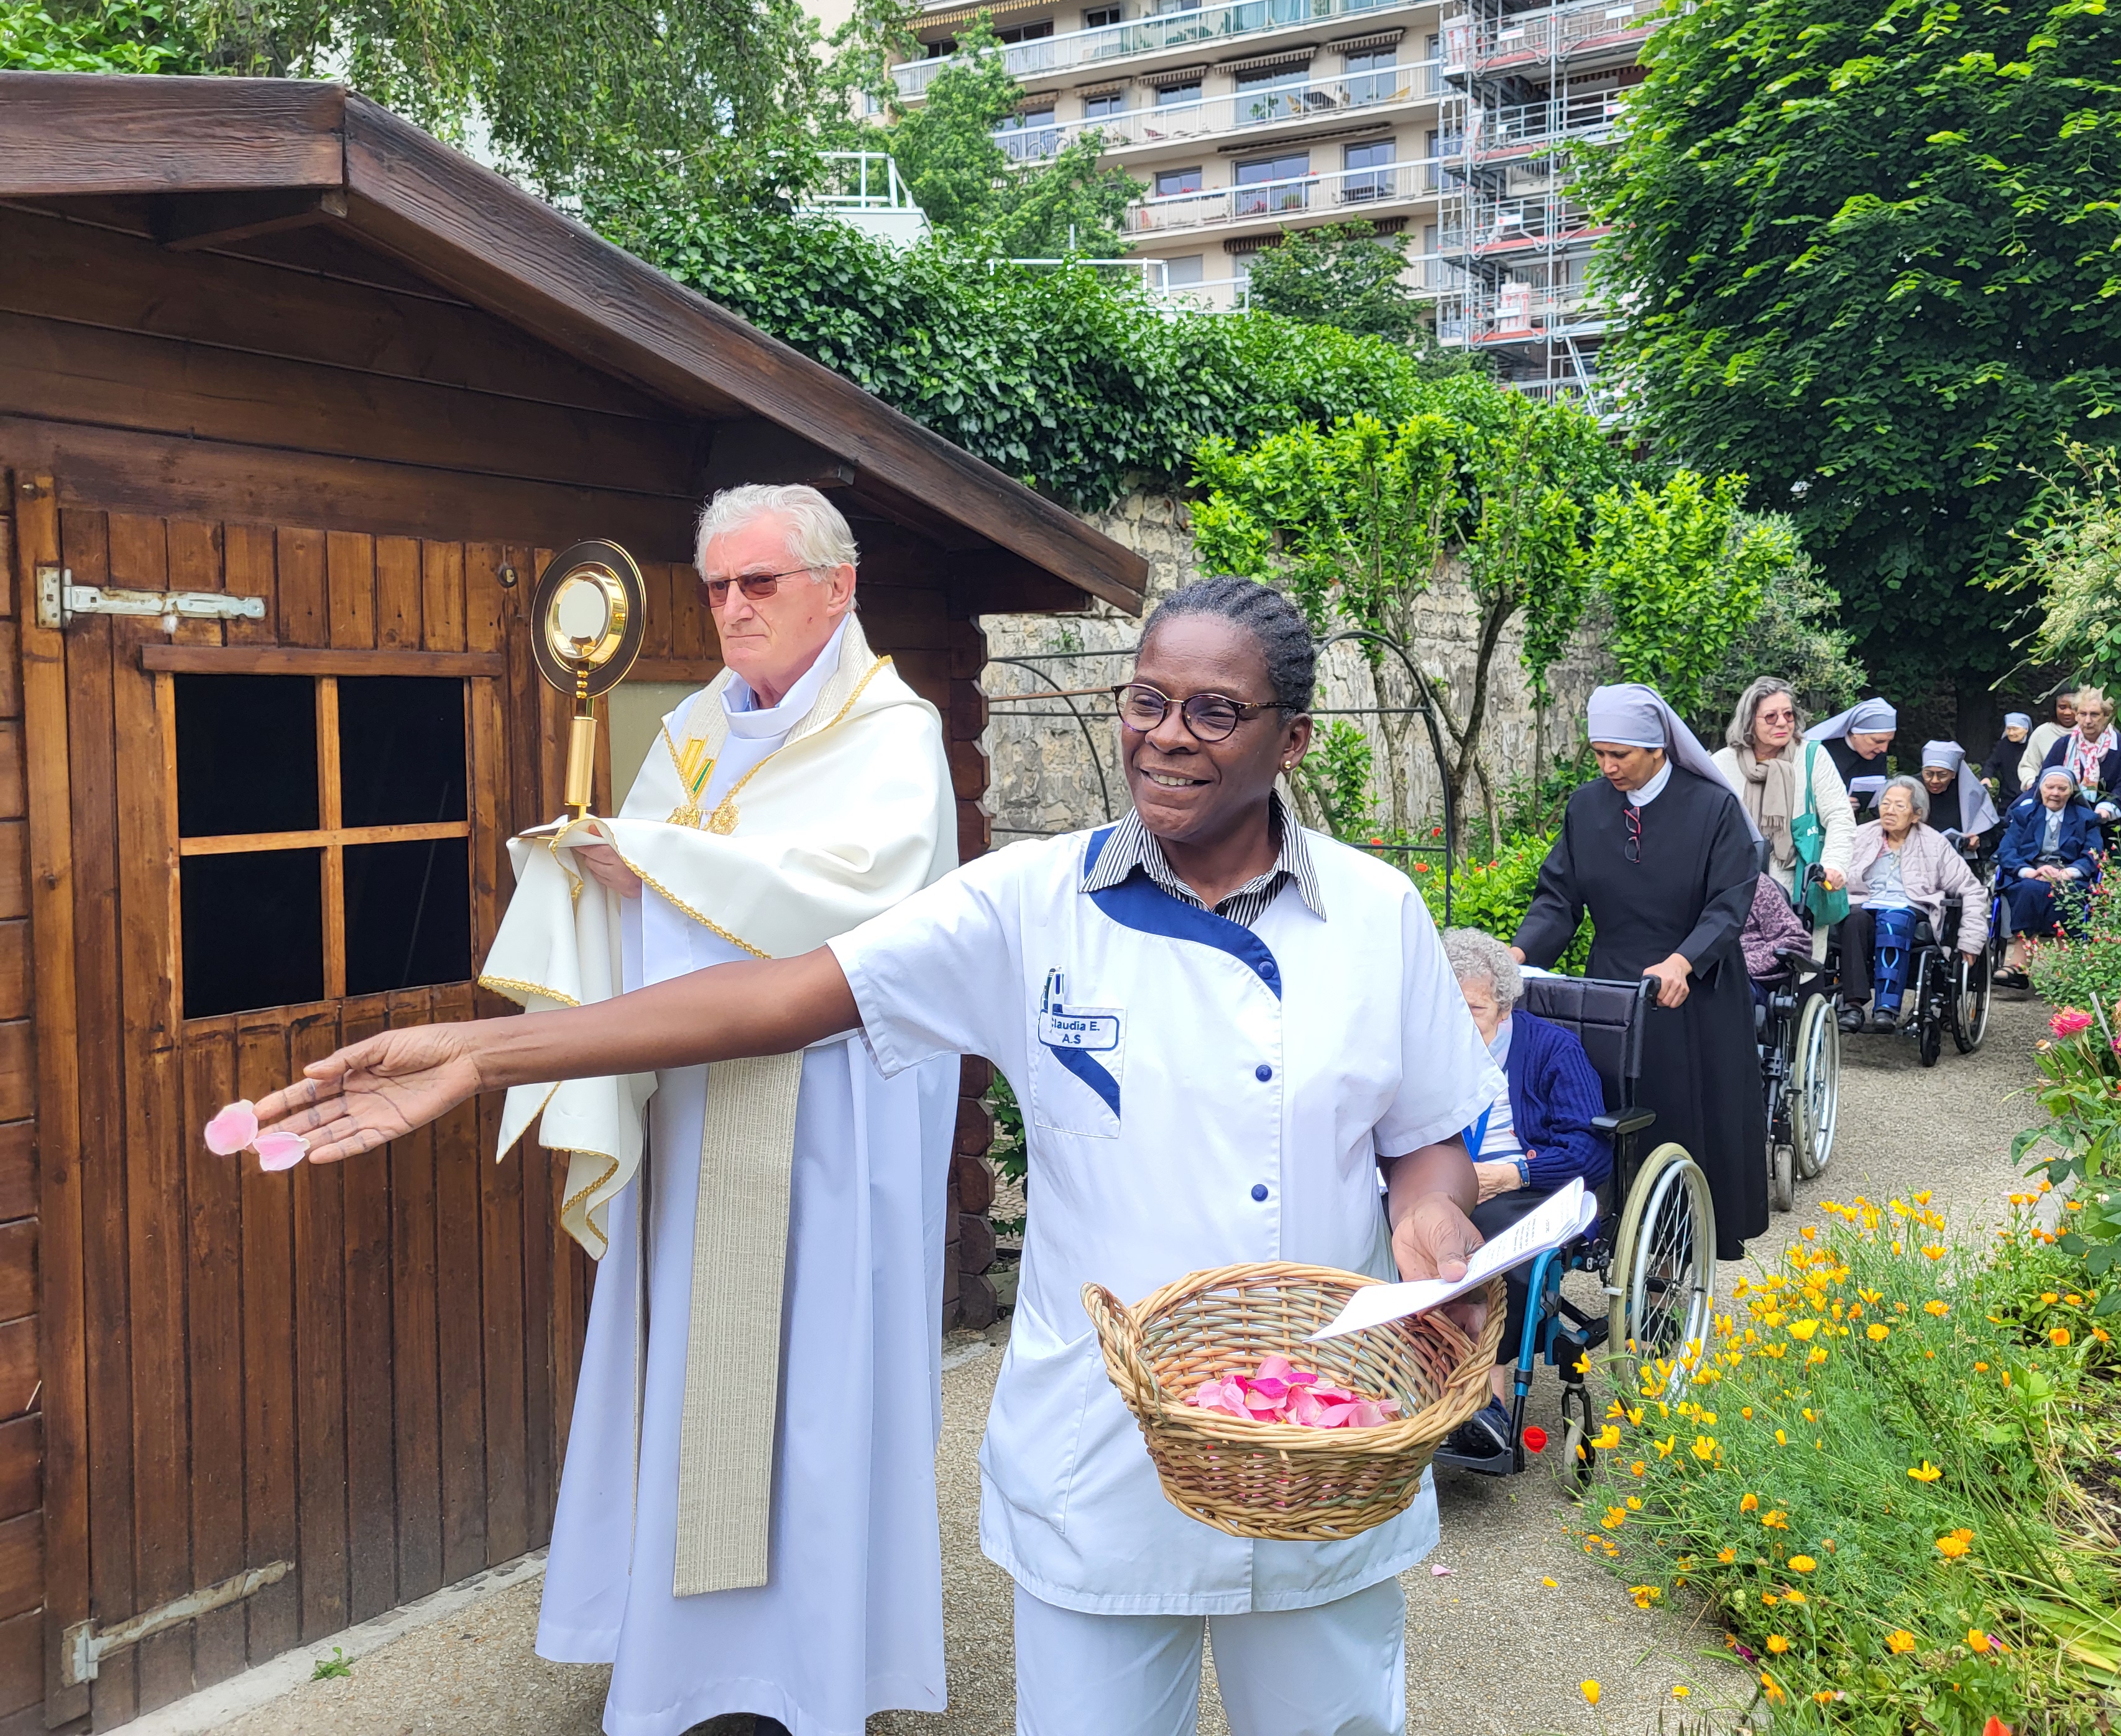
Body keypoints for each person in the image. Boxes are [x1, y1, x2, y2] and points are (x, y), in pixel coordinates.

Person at [242, 575, 1489, 1736]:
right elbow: (778, 996)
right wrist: (486, 1054)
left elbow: (1424, 1141)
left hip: (1330, 1442)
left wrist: (1435, 1229)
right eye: (1147, 702)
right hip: (1102, 1462)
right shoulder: (1027, 906)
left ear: (1292, 739)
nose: (1167, 735)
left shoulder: (1376, 917)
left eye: (1214, 711)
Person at [466, 484, 959, 1735]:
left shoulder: (893, 735)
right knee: (695, 1369)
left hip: (827, 1123)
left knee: (813, 1384)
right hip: (699, 1112)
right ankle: (692, 1668)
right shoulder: (688, 728)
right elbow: (653, 881)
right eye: (718, 588)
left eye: (760, 585)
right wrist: (596, 870)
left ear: (835, 589)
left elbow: (869, 903)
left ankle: (808, 1669)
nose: (732, 610)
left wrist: (658, 866)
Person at [1512, 684, 1769, 1259]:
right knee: (1609, 1117)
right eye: (1599, 754)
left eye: (1619, 755)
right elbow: (1558, 900)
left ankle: (1683, 1239)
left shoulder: (1712, 807)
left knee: (1681, 1115)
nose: (1608, 767)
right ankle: (1610, 1231)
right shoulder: (1586, 808)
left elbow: (1730, 901)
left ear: (1656, 748)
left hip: (1693, 986)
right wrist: (1517, 958)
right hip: (1613, 988)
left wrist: (1683, 960)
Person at [1438, 927, 1611, 1461]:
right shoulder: (1429, 1049)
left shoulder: (1553, 1049)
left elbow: (1591, 1150)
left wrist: (1512, 1172)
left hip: (1525, 1184)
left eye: (1476, 1011)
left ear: (1506, 1008)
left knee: (1486, 1255)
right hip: (1444, 1181)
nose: (1461, 1027)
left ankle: (1485, 1397)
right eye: (1451, 1010)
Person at [1832, 777, 1989, 1034]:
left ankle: (1887, 1008)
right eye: (1886, 803)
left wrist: (1970, 942)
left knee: (1895, 918)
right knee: (1853, 919)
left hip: (1910, 908)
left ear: (1916, 815)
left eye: (1899, 806)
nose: (1889, 811)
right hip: (1864, 903)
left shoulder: (1935, 844)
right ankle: (1852, 1005)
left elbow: (1971, 889)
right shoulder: (1860, 835)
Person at [1721, 677, 1853, 914]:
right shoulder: (1723, 763)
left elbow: (1840, 817)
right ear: (1750, 722)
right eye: (1771, 717)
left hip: (1798, 890)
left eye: (1788, 715)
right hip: (1734, 888)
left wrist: (1834, 864)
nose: (1782, 723)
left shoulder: (1812, 756)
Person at [1993, 767, 2105, 986]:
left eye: (2062, 788)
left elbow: (2093, 855)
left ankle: (2066, 966)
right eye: (2050, 787)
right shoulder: (2023, 814)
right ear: (2040, 789)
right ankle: (2019, 965)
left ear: (2072, 791)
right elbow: (2006, 851)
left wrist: (2065, 873)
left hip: (2069, 875)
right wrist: (2030, 872)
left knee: (2066, 893)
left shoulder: (2086, 819)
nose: (2055, 793)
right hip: (2029, 874)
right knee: (2027, 890)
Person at [2034, 687, 2121, 827]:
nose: (2087, 720)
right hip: (2067, 821)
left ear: (2107, 716)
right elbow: (2044, 778)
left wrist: (2107, 808)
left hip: (2111, 823)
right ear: (2076, 715)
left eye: (2094, 714)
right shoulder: (2064, 745)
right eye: (2082, 714)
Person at [1804, 697, 1898, 822]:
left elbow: (1878, 804)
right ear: (1855, 733)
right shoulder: (1822, 751)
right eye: (1878, 741)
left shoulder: (1878, 756)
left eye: (1888, 742)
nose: (1884, 749)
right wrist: (1831, 805)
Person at [1918, 741, 1999, 855]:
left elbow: (1990, 836)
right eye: (1929, 774)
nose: (1935, 781)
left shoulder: (1971, 793)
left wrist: (1977, 841)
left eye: (1942, 775)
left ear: (1954, 774)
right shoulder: (1911, 789)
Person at [2020, 689, 2077, 792]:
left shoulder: (2091, 732)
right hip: (2047, 794)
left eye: (2073, 708)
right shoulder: (2042, 732)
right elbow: (2028, 765)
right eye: (2062, 707)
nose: (2068, 713)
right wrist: (2031, 783)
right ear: (2055, 707)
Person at [1982, 713, 2032, 801]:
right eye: (2008, 729)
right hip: (2007, 796)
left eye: (2015, 729)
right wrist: (1986, 777)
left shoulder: (2034, 745)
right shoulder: (2003, 745)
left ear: (2026, 729)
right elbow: (1991, 763)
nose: (2011, 733)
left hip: (2030, 794)